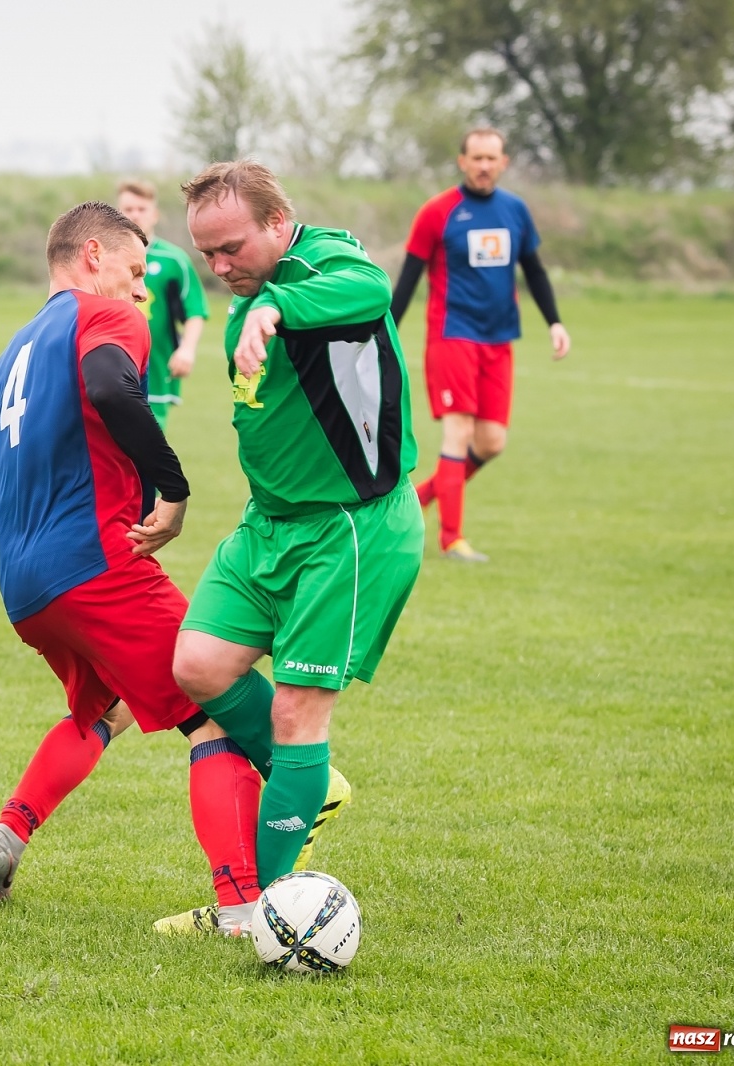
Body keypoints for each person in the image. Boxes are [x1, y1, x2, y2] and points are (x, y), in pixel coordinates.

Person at [0, 202, 263, 929]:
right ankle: (243, 904)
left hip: (26, 587)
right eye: (135, 273)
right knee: (213, 706)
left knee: (108, 706)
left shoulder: (11, 356)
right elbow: (109, 387)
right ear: (93, 254)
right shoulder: (107, 318)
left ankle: (7, 834)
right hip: (99, 565)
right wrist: (175, 489)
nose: (141, 294)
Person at [157, 161, 424, 935]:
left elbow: (372, 290)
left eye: (231, 247)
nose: (218, 268)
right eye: (206, 253)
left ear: (278, 224)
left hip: (346, 528)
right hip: (267, 524)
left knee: (298, 715)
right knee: (198, 667)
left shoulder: (322, 265)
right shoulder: (254, 292)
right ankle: (311, 787)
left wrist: (277, 305)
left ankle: (262, 913)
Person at [390, 127, 571, 562]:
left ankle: (415, 501)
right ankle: (452, 540)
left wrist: (555, 322)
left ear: (503, 163)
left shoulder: (515, 211)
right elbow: (409, 280)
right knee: (459, 431)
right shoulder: (438, 212)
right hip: (452, 336)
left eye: (492, 158)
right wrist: (387, 332)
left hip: (499, 340)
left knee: (491, 443)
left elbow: (535, 270)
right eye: (477, 158)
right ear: (463, 161)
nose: (485, 166)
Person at [116, 180, 208, 429]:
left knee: (148, 443)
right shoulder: (107, 258)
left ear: (154, 214)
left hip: (156, 364)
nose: (135, 215)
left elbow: (195, 309)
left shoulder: (174, 260)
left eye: (141, 209)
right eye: (128, 208)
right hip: (113, 357)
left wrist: (187, 349)